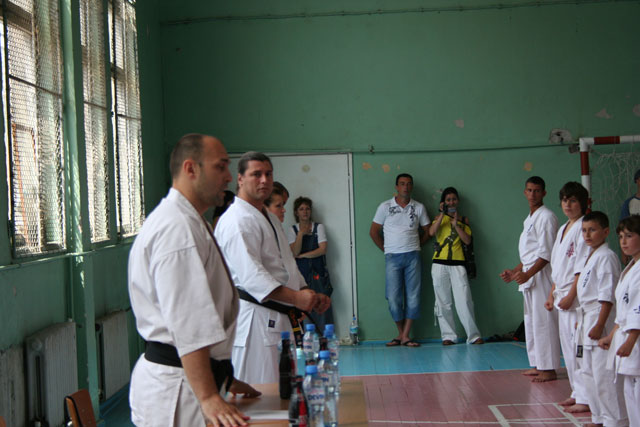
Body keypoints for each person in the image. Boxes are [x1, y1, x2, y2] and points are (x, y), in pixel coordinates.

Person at [128, 134, 255, 427]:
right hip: (179, 389)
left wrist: (223, 377)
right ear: (190, 169)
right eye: (220, 166)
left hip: (188, 379)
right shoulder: (177, 228)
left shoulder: (188, 220)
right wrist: (208, 395)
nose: (228, 176)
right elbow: (188, 320)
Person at [215, 152, 330, 384]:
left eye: (268, 174)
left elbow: (287, 263)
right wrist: (296, 298)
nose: (264, 180)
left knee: (282, 390)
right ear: (240, 179)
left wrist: (307, 292)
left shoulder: (269, 217)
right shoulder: (237, 220)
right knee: (258, 394)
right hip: (254, 320)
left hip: (278, 319)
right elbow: (253, 277)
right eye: (256, 174)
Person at [500, 176, 561, 382]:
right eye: (529, 190)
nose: (533, 194)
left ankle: (549, 368)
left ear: (544, 193)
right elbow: (528, 255)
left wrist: (528, 273)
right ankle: (538, 363)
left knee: (544, 321)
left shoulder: (547, 217)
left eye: (537, 190)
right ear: (524, 192)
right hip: (530, 275)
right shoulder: (529, 219)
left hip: (542, 276)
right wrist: (515, 271)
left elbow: (546, 253)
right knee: (532, 321)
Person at [574, 211, 627, 427]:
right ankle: (598, 417)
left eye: (592, 230)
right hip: (587, 316)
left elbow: (607, 296)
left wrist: (599, 324)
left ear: (605, 232)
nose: (587, 235)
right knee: (588, 372)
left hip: (599, 318)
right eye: (584, 231)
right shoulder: (592, 255)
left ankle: (614, 421)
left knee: (603, 375)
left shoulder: (606, 256)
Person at [543, 182, 590, 412]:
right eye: (564, 200)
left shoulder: (584, 228)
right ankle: (577, 391)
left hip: (576, 296)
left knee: (580, 348)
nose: (568, 205)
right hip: (561, 293)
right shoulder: (563, 228)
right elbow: (558, 266)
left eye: (572, 201)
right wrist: (551, 293)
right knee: (569, 350)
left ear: (583, 203)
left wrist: (572, 295)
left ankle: (586, 397)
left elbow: (581, 267)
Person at [370, 173, 430, 347]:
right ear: (396, 187)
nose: (406, 187)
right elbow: (373, 232)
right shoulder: (385, 207)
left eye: (409, 184)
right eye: (402, 184)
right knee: (393, 298)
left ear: (412, 186)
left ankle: (405, 335)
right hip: (392, 258)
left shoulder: (419, 207)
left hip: (413, 256)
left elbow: (428, 231)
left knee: (413, 297)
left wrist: (418, 244)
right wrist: (386, 249)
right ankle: (401, 333)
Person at [599, 215, 640, 426]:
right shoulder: (631, 267)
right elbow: (623, 310)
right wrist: (612, 335)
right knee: (630, 396)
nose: (623, 241)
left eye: (629, 236)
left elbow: (638, 309)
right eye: (621, 236)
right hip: (625, 334)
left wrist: (630, 341)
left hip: (635, 339)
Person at [428, 187, 483, 346]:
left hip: (458, 264)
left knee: (464, 299)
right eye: (448, 200)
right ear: (443, 203)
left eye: (453, 199)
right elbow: (431, 232)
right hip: (439, 264)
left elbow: (467, 240)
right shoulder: (438, 218)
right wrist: (442, 215)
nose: (451, 202)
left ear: (457, 201)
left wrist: (456, 224)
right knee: (442, 302)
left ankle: (473, 335)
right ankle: (448, 336)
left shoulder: (463, 220)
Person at [287, 196, 334, 332]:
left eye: (307, 208)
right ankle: (305, 338)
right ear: (296, 212)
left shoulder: (319, 227)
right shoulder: (292, 230)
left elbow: (322, 249)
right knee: (304, 307)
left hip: (318, 273)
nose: (305, 212)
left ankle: (324, 337)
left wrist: (303, 255)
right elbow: (294, 252)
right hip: (301, 274)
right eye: (301, 209)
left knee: (321, 305)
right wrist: (301, 234)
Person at [619, 169, 640, 265]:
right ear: (637, 181)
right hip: (635, 247)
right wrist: (624, 253)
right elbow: (623, 228)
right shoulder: (629, 203)